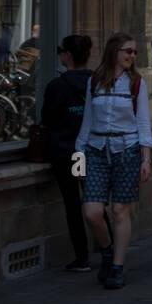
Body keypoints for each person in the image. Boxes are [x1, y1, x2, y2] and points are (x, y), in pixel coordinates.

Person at [75, 32, 152, 289]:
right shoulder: (95, 81)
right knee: (93, 213)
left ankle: (117, 267)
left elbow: (143, 123)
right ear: (114, 52)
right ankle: (108, 250)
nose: (132, 55)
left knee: (120, 211)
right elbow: (87, 120)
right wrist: (79, 156)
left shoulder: (136, 83)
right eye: (128, 51)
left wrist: (146, 159)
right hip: (97, 150)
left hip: (127, 151)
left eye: (134, 52)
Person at [41, 34, 108, 272]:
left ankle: (82, 257)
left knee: (73, 205)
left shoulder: (57, 86)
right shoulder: (97, 82)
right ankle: (107, 248)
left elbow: (47, 119)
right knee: (95, 202)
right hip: (91, 150)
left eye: (62, 51)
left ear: (67, 55)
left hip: (66, 152)